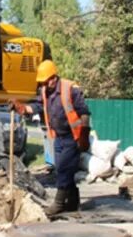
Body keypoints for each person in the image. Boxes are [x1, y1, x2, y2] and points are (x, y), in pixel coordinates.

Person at [10, 60, 91, 217]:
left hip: (73, 136)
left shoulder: (70, 89)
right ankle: (73, 204)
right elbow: (36, 107)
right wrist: (21, 108)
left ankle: (59, 204)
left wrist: (84, 135)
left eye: (46, 81)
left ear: (54, 77)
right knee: (64, 169)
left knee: (63, 170)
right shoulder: (45, 92)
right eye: (42, 82)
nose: (44, 85)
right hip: (58, 137)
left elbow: (84, 112)